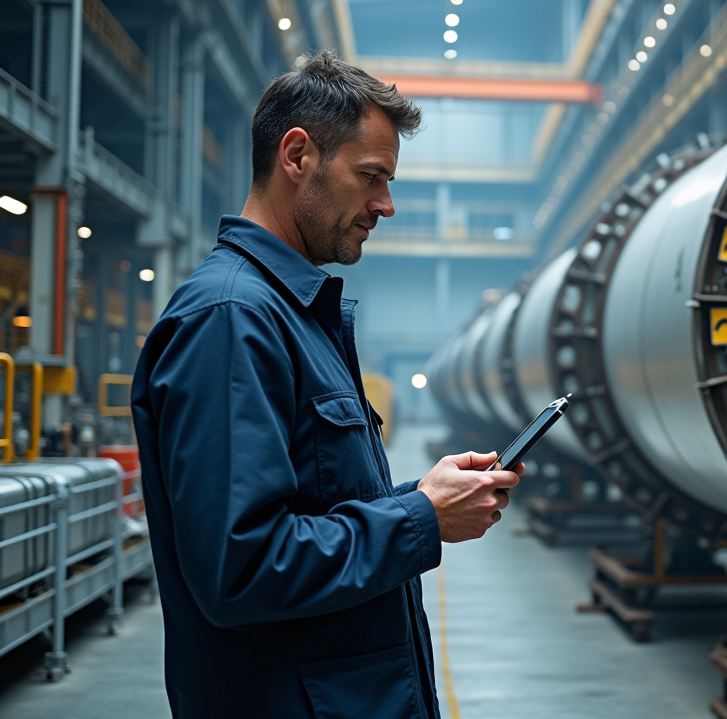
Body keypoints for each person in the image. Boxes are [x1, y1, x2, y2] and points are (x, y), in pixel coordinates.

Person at [131, 51, 519, 719]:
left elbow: (309, 507)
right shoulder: (233, 320)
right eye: (372, 177)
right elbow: (242, 566)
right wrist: (420, 519)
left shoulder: (289, 314)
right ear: (298, 154)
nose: (386, 206)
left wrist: (421, 496)